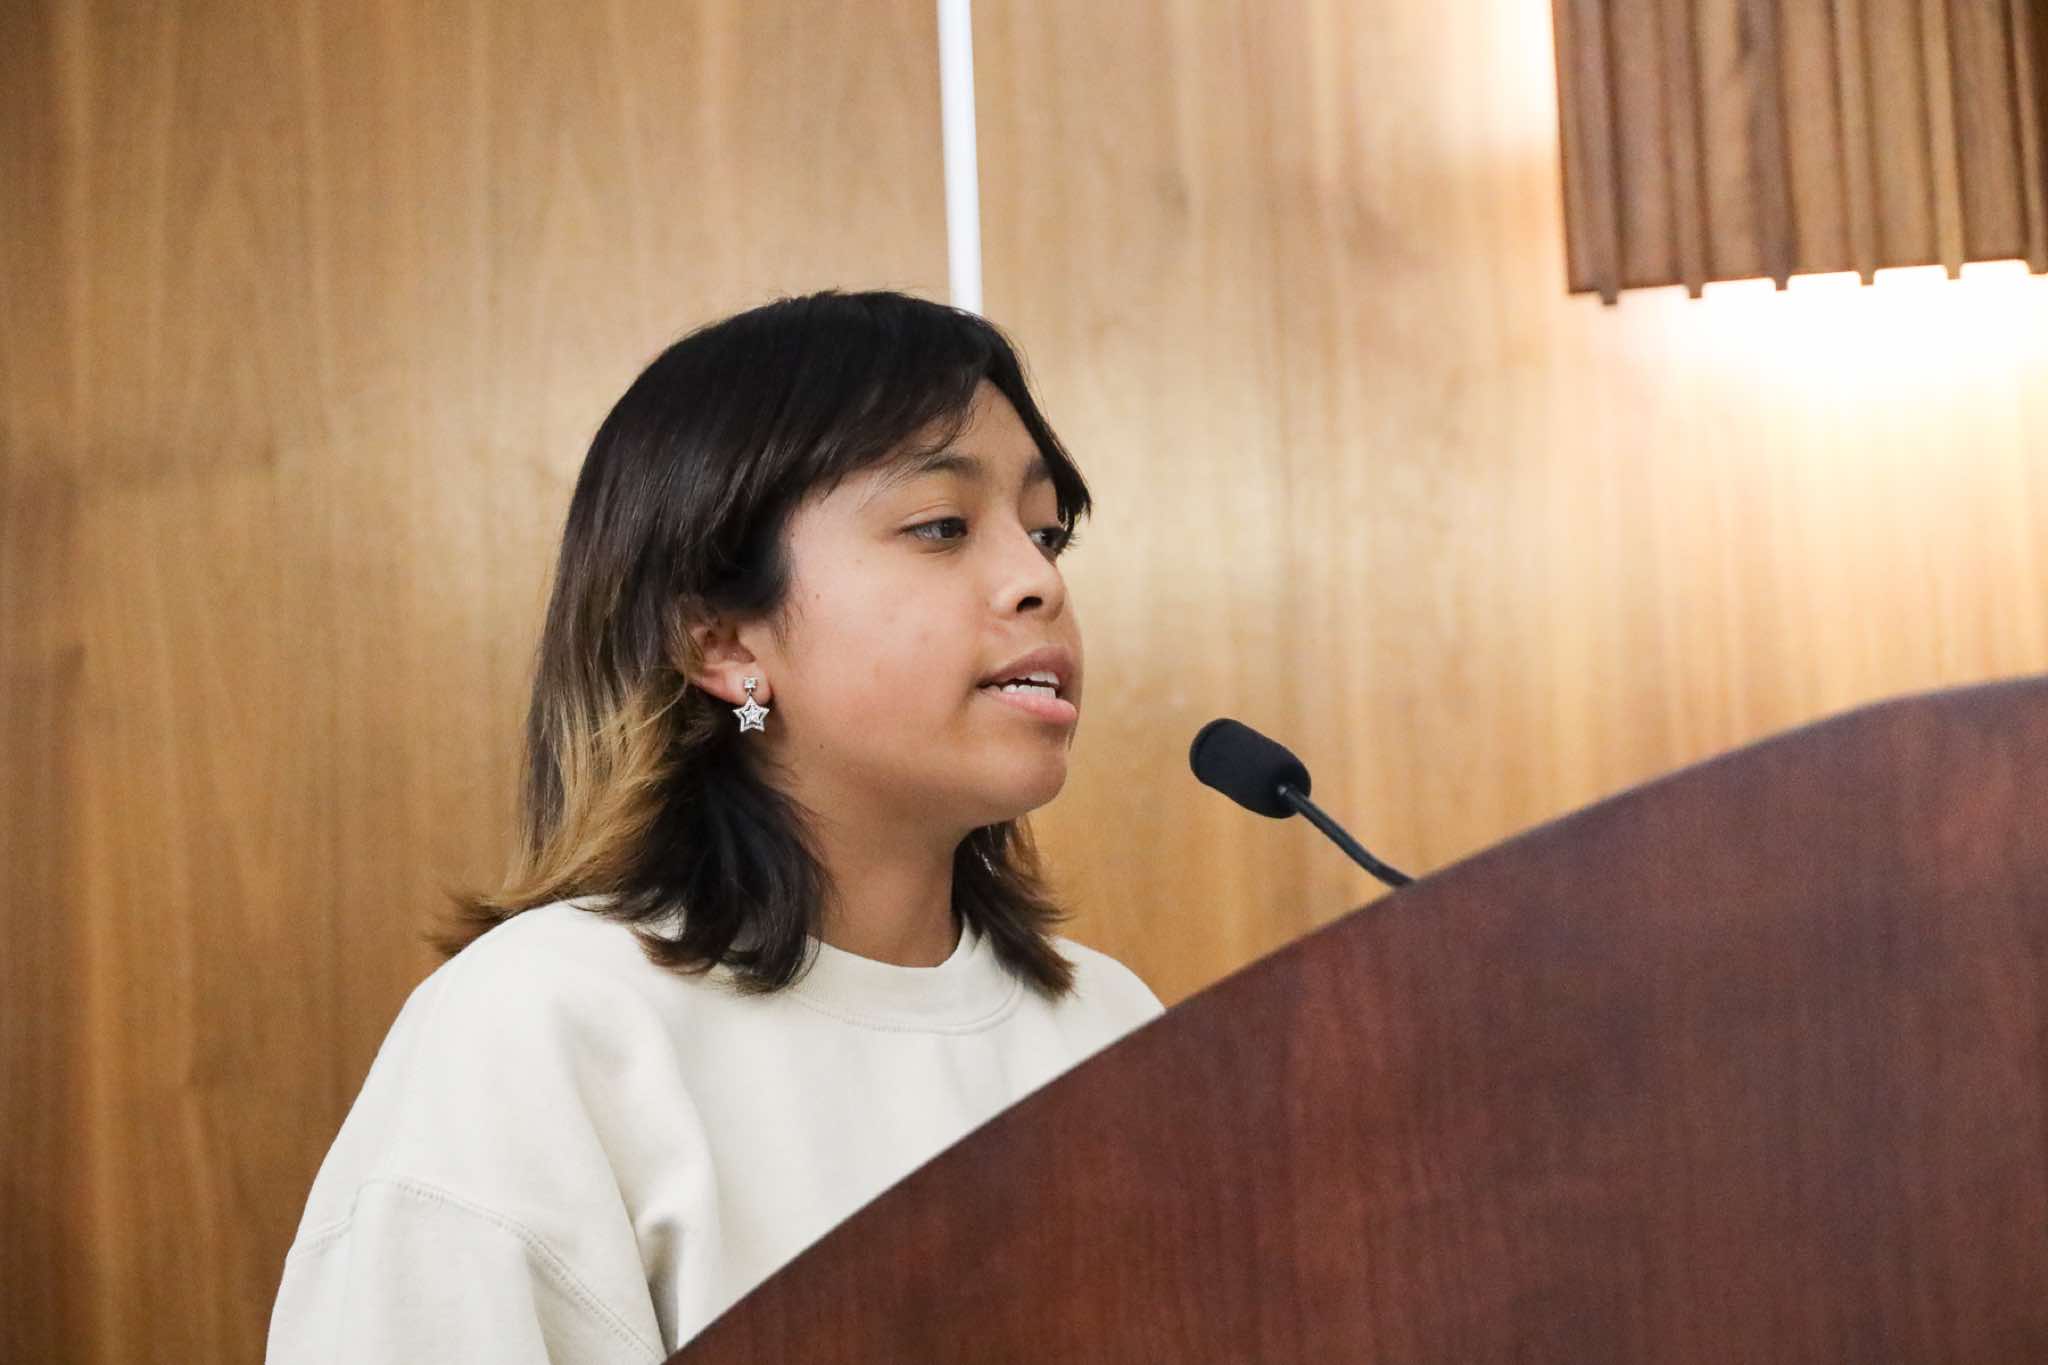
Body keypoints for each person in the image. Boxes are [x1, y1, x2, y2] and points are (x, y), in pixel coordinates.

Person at [266, 290, 1166, 1362]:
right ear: (722, 643)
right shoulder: (543, 1028)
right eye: (941, 526)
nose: (1036, 580)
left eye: (1047, 531)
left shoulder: (1112, 1023)